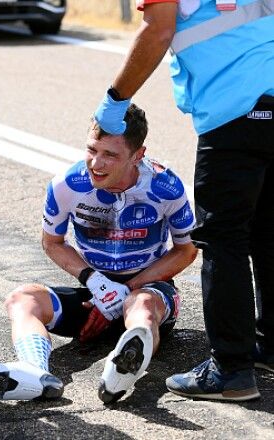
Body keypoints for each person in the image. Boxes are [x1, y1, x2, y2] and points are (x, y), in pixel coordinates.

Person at [93, 0, 274, 402]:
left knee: (223, 240)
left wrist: (115, 100)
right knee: (268, 232)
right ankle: (270, 346)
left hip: (234, 111)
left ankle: (230, 370)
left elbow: (157, 31)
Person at [0, 104, 197, 404]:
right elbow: (52, 242)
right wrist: (97, 284)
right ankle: (35, 374)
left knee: (143, 305)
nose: (96, 163)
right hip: (93, 289)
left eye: (110, 155)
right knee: (22, 299)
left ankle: (124, 368)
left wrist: (125, 289)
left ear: (138, 155)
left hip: (147, 287)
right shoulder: (67, 184)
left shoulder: (165, 187)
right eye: (92, 149)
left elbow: (187, 250)